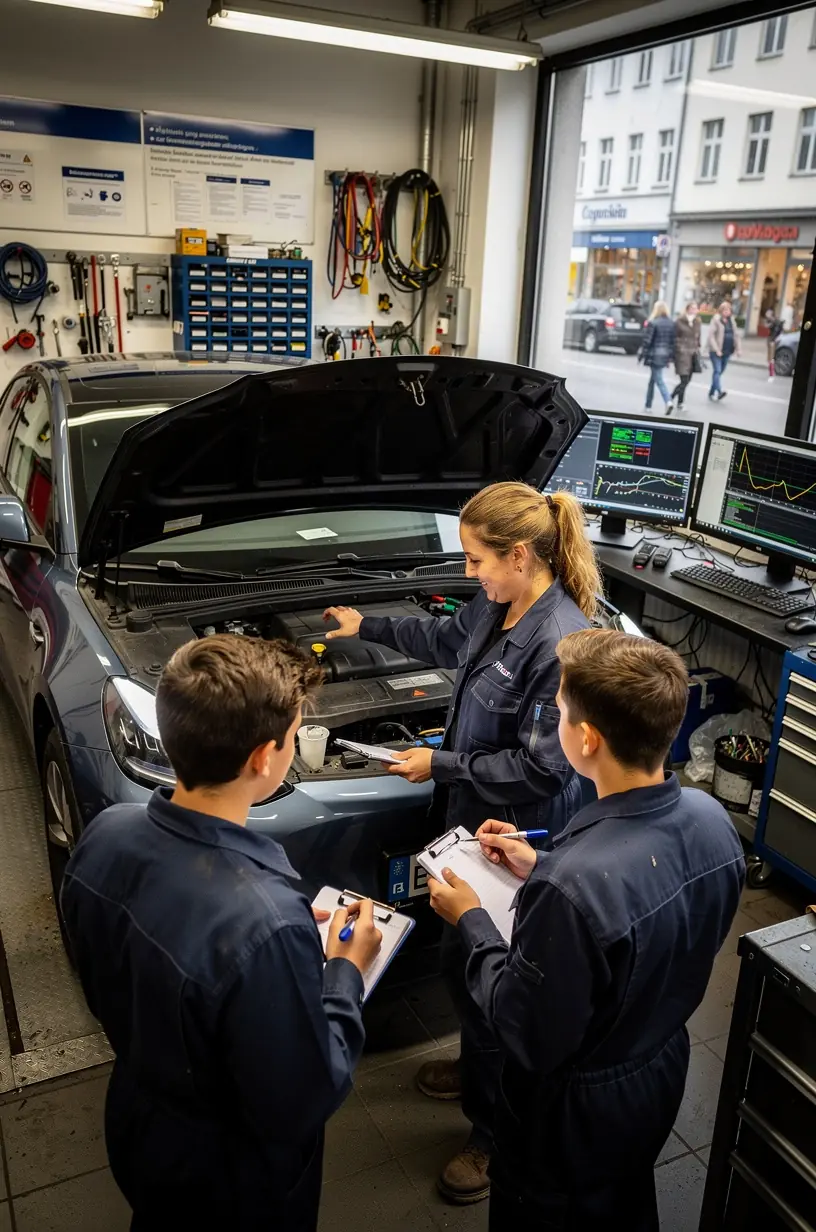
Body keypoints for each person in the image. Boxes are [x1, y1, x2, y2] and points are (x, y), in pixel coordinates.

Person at [322, 481, 598, 1204]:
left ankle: (493, 1138)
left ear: (519, 554)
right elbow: (444, 639)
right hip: (468, 824)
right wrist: (365, 624)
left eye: (478, 559)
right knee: (459, 963)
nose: (469, 573)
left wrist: (438, 761)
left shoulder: (557, 640)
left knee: (499, 986)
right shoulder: (499, 602)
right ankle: (478, 1069)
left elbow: (544, 764)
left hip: (516, 839)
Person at [426, 629, 745, 1231]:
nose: (556, 722)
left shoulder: (571, 890)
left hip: (570, 1116)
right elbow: (641, 914)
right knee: (624, 1203)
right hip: (655, 1074)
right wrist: (540, 864)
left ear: (587, 738)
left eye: (561, 713)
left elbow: (528, 1032)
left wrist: (471, 920)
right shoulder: (712, 822)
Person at [61, 636, 383, 1232]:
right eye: (292, 738)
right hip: (232, 1181)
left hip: (143, 1125)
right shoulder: (267, 924)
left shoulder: (106, 832)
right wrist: (346, 970)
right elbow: (304, 1095)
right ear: (265, 758)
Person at [639, 301, 675, 414]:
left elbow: (647, 341)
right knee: (652, 380)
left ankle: (668, 401)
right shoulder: (671, 323)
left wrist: (642, 354)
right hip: (664, 355)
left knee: (659, 379)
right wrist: (670, 355)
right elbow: (672, 342)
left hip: (654, 355)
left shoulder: (653, 323)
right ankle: (648, 405)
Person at [670, 300, 701, 411]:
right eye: (692, 308)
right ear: (687, 309)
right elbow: (674, 337)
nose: (695, 310)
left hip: (693, 354)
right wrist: (680, 348)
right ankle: (672, 399)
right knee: (684, 380)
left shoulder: (697, 322)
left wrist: (698, 348)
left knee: (687, 381)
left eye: (696, 308)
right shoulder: (679, 321)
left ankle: (678, 402)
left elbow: (698, 337)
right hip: (682, 355)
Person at [708, 299, 741, 401]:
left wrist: (738, 349)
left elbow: (736, 335)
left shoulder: (732, 321)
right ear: (721, 311)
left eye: (729, 310)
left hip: (727, 351)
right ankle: (719, 391)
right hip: (716, 351)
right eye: (725, 310)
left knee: (720, 372)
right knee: (717, 371)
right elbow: (711, 336)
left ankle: (711, 392)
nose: (727, 312)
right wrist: (716, 349)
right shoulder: (716, 320)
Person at [764, 307, 785, 382]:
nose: (766, 314)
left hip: (772, 340)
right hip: (771, 340)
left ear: (771, 314)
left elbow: (776, 332)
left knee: (771, 359)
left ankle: (771, 375)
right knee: (770, 359)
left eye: (768, 313)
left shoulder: (774, 322)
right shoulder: (772, 321)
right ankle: (771, 374)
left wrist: (773, 341)